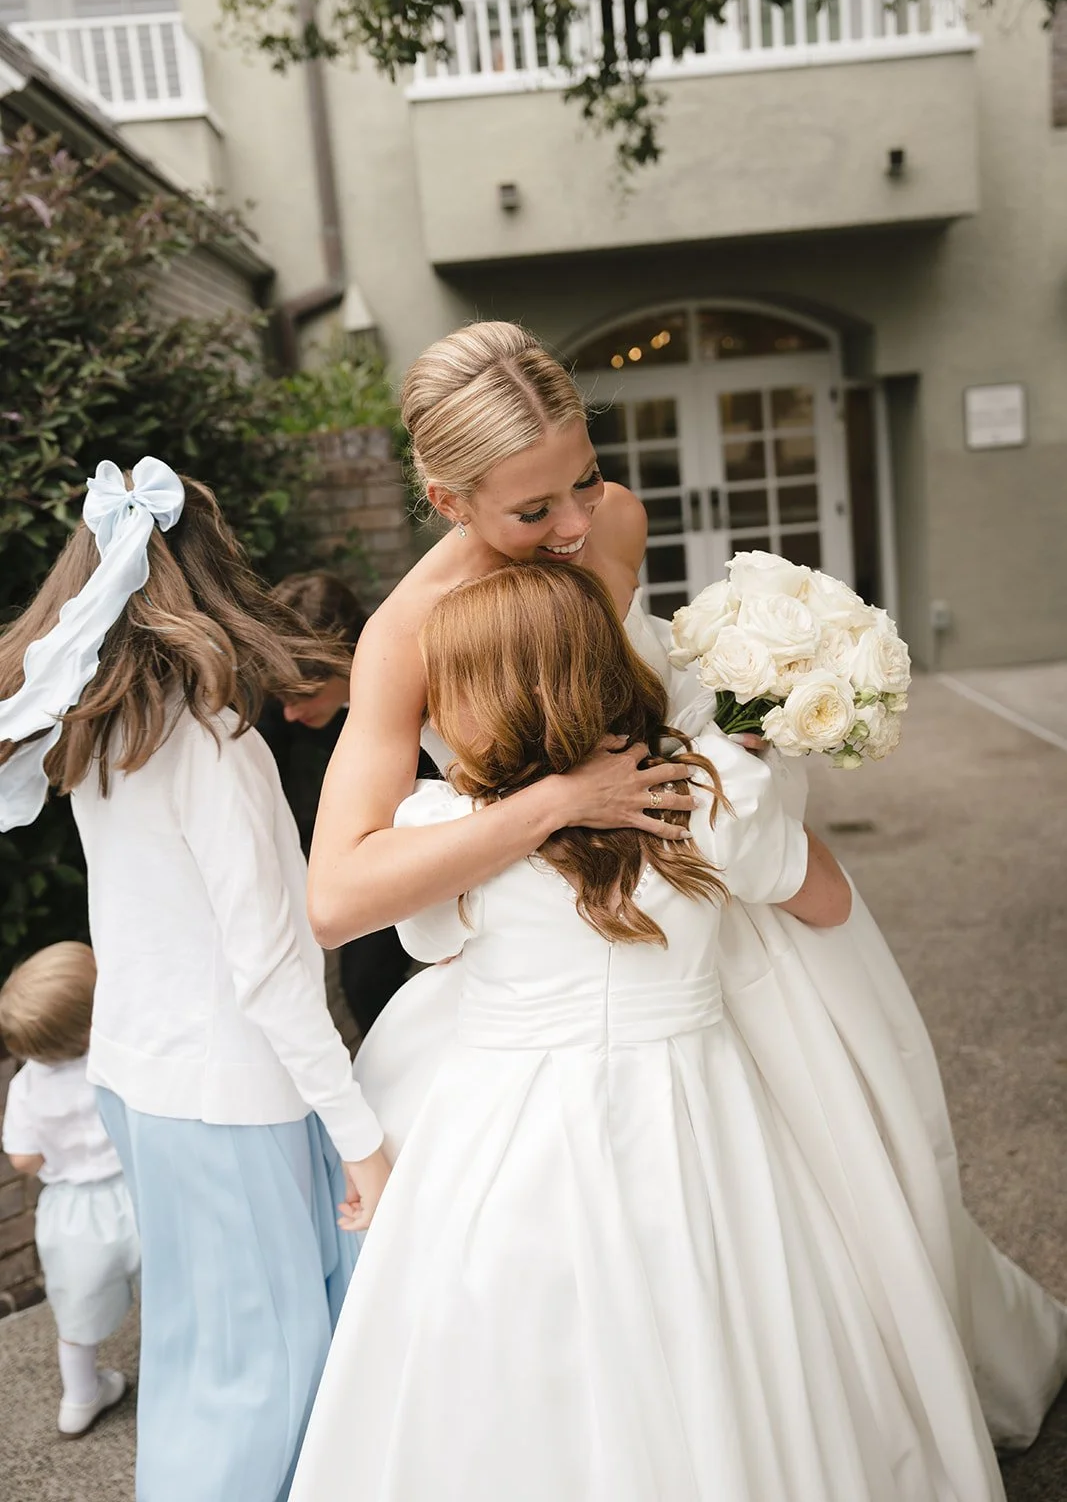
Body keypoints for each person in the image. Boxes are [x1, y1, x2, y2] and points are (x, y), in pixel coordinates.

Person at [308, 320, 1067, 1450]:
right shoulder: (406, 634)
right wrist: (556, 804)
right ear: (444, 498)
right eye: (532, 512)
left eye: (586, 477)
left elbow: (642, 691)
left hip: (710, 902)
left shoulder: (612, 522)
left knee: (842, 1196)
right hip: (561, 935)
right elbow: (338, 892)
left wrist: (750, 741)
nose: (576, 524)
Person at [291, 561, 1010, 1502]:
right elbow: (826, 904)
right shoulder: (709, 793)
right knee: (726, 1319)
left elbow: (431, 945)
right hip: (697, 1106)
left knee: (509, 1345)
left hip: (508, 1130)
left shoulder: (446, 828)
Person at [0, 458, 389, 1502]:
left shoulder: (99, 738)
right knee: (267, 1371)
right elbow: (269, 968)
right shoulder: (213, 750)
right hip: (230, 1096)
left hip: (142, 1084)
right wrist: (360, 1134)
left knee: (200, 1358)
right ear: (217, 578)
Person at [258, 570, 433, 1037]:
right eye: (283, 700)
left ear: (346, 657)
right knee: (361, 985)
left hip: (412, 832)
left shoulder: (407, 673)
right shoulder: (281, 701)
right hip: (323, 847)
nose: (291, 713)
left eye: (307, 696)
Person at [0, 941, 139, 1439]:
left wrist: (51, 1155)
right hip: (141, 1193)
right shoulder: (117, 1060)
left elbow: (22, 1158)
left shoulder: (26, 1088)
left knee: (76, 1312)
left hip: (75, 1217)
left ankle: (80, 1397)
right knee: (170, 1290)